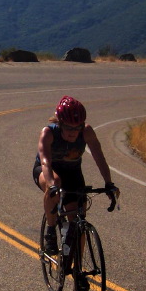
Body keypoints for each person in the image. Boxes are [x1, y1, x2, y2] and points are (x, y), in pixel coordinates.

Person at [33, 95, 118, 254]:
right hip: (47, 170)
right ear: (60, 123)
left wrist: (109, 183)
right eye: (69, 128)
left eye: (77, 127)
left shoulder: (86, 132)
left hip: (72, 173)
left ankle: (77, 270)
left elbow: (99, 157)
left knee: (78, 223)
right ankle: (51, 232)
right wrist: (51, 185)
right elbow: (45, 162)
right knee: (56, 183)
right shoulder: (48, 133)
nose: (73, 132)